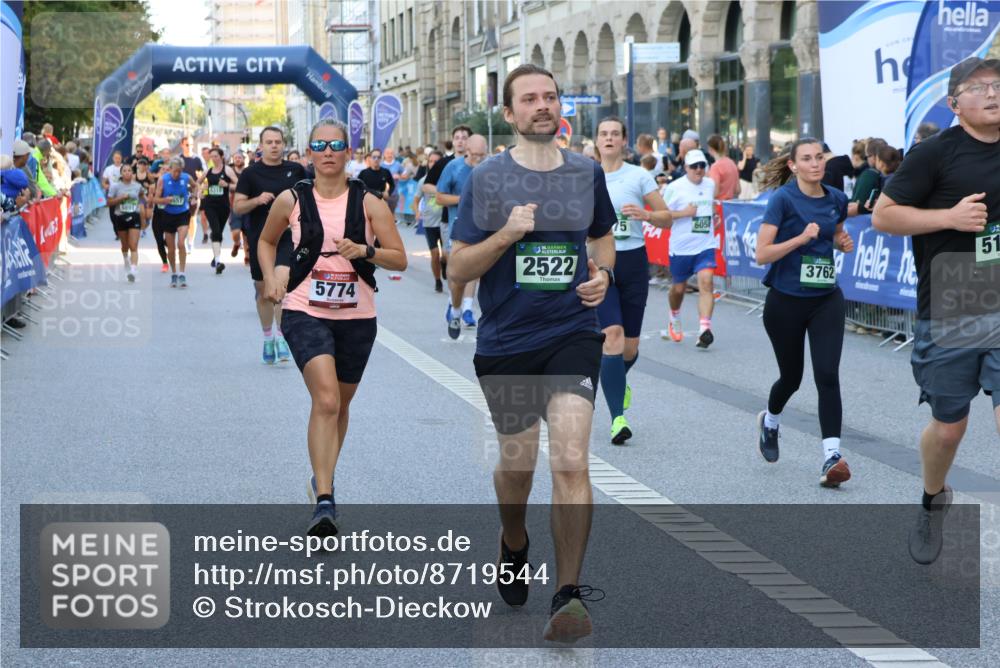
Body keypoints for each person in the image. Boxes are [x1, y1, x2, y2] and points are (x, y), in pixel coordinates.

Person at [447, 63, 614, 643]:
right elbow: (458, 266)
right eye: (529, 98)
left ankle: (568, 595)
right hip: (508, 342)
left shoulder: (586, 172)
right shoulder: (487, 179)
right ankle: (513, 539)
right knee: (517, 468)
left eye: (549, 96)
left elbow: (601, 236)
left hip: (572, 333)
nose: (541, 105)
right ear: (509, 113)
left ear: (558, 106)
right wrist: (506, 236)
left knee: (570, 461)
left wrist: (605, 276)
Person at [872, 56, 1000, 565]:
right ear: (954, 103)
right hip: (952, 300)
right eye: (979, 88)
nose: (992, 94)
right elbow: (883, 216)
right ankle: (932, 499)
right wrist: (949, 216)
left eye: (999, 85)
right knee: (950, 426)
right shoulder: (933, 154)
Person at [257, 119, 407, 536]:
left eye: (335, 144)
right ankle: (325, 499)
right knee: (325, 400)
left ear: (347, 150)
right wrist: (270, 277)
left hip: (358, 316)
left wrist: (366, 250)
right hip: (305, 308)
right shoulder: (292, 199)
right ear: (309, 152)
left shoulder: (370, 202)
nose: (327, 151)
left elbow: (399, 259)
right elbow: (267, 241)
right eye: (319, 145)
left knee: (340, 405)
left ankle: (322, 479)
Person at [754, 138, 856, 487]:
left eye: (819, 158)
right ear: (794, 166)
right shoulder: (782, 199)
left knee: (827, 375)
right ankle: (770, 421)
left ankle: (832, 455)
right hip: (785, 301)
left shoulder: (835, 198)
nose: (815, 164)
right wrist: (800, 238)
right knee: (792, 378)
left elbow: (837, 232)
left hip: (826, 298)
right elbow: (762, 254)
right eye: (807, 159)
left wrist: (841, 242)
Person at [595, 116, 680, 445]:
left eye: (615, 134)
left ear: (624, 140)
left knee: (629, 348)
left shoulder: (638, 175)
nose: (609, 138)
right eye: (604, 134)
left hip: (633, 260)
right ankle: (618, 418)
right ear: (597, 140)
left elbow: (668, 218)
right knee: (611, 335)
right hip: (599, 262)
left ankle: (616, 379)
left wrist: (647, 215)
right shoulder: (586, 175)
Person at [234, 126, 307, 364]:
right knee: (264, 291)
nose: (274, 146)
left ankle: (283, 337)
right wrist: (257, 200)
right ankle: (268, 338)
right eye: (269, 142)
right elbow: (238, 206)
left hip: (288, 236)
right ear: (261, 145)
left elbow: (312, 197)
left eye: (278, 142)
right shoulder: (250, 174)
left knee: (281, 286)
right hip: (261, 238)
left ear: (283, 144)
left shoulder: (296, 170)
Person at [660, 149, 718, 348]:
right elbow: (662, 215)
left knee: (707, 281)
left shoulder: (710, 184)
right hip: (681, 247)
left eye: (702, 165)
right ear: (686, 168)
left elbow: (710, 206)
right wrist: (685, 213)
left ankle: (704, 329)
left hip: (705, 244)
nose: (699, 170)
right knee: (679, 289)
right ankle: (674, 317)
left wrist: (713, 216)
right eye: (694, 166)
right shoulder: (675, 187)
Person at [436, 134, 488, 338]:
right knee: (457, 273)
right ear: (467, 150)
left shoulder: (490, 167)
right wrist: (465, 198)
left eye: (482, 155)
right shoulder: (454, 168)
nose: (478, 159)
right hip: (457, 227)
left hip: (483, 226)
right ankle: (454, 305)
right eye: (475, 155)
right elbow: (440, 197)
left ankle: (466, 309)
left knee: (475, 269)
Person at [422, 125, 472, 282]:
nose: (460, 141)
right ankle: (454, 294)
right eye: (457, 138)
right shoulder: (445, 163)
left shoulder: (477, 163)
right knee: (450, 256)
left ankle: (463, 296)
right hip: (447, 218)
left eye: (464, 138)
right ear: (453, 141)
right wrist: (443, 189)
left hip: (472, 219)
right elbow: (426, 185)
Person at [151, 157, 196, 287]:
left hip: (182, 214)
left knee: (181, 243)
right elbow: (155, 199)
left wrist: (194, 196)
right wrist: (165, 200)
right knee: (171, 249)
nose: (177, 174)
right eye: (175, 171)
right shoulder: (163, 180)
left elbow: (195, 186)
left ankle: (182, 274)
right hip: (168, 215)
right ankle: (174, 274)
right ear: (170, 169)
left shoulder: (186, 177)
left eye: (179, 171)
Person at [413, 150, 445, 291]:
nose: (433, 164)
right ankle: (437, 280)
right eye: (431, 161)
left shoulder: (446, 179)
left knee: (446, 255)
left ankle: (444, 265)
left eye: (437, 161)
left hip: (445, 222)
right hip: (429, 223)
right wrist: (417, 212)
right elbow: (415, 201)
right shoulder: (423, 181)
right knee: (435, 254)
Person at [198, 147, 233, 274]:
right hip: (210, 205)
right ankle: (218, 262)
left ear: (221, 157)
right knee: (216, 231)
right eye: (211, 156)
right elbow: (198, 182)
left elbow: (239, 185)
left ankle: (215, 258)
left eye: (216, 156)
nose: (213, 158)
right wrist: (200, 192)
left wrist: (227, 185)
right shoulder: (208, 171)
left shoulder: (228, 170)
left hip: (223, 207)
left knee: (218, 233)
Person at [106, 164, 143, 282]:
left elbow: (142, 195)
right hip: (121, 216)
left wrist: (146, 209)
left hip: (134, 216)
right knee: (125, 245)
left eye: (129, 171)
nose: (127, 172)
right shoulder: (115, 187)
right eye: (125, 171)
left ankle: (133, 270)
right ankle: (126, 259)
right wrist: (121, 198)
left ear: (132, 173)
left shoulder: (137, 186)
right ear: (121, 174)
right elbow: (109, 203)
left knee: (133, 245)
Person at [178, 136, 205, 252]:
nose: (189, 147)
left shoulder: (198, 159)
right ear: (182, 145)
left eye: (191, 145)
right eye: (187, 144)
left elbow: (205, 173)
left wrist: (201, 177)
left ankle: (190, 242)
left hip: (193, 192)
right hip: (180, 192)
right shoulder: (178, 159)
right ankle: (182, 240)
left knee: (192, 217)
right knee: (181, 217)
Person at [227, 151, 249, 261]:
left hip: (248, 205)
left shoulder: (248, 171)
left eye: (240, 157)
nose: (238, 159)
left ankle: (247, 256)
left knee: (247, 234)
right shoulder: (229, 172)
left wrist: (233, 187)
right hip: (234, 206)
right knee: (236, 232)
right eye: (235, 157)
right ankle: (236, 243)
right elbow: (225, 185)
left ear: (244, 159)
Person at [707, 134, 740, 201]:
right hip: (731, 205)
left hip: (719, 206)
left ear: (711, 149)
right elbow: (738, 190)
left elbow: (715, 192)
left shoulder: (715, 167)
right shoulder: (732, 163)